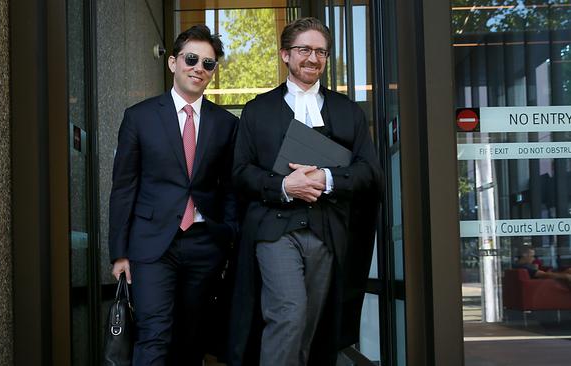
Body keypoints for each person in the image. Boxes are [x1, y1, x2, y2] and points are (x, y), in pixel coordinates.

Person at [228, 17, 383, 366]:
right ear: (285, 54)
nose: (313, 58)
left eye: (321, 52)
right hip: (274, 229)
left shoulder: (348, 111)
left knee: (311, 327)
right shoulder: (257, 110)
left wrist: (327, 178)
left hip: (328, 230)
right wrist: (283, 185)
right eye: (304, 50)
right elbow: (239, 173)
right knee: (289, 314)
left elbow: (369, 172)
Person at [108, 24, 238, 366]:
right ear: (172, 63)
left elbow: (230, 187)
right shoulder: (138, 118)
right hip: (151, 246)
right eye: (191, 59)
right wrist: (119, 253)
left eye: (208, 63)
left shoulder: (226, 124)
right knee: (154, 333)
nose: (199, 68)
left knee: (191, 340)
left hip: (204, 245)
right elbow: (124, 188)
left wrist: (228, 235)